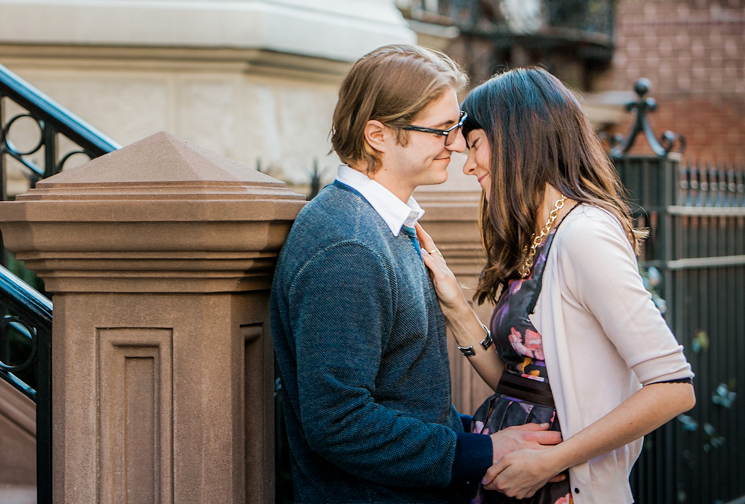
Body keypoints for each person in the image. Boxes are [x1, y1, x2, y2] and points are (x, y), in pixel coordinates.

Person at [270, 46, 563, 504]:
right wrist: (479, 450)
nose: (457, 144)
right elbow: (338, 422)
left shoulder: (385, 227)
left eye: (458, 128)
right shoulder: (348, 246)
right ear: (377, 135)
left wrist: (486, 434)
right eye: (441, 131)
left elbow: (403, 398)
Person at [416, 68, 696, 504]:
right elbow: (518, 384)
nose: (469, 165)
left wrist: (551, 461)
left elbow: (673, 387)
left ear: (516, 138)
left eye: (474, 146)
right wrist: (453, 301)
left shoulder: (584, 234)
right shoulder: (541, 237)